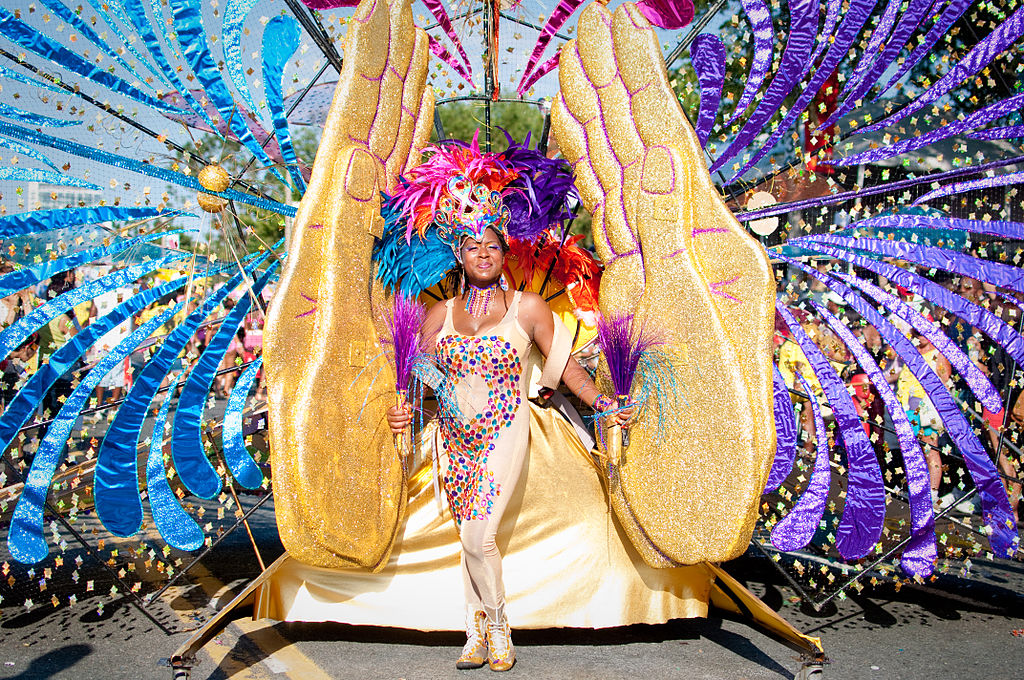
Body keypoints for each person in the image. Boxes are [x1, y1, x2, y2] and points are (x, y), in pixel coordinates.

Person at [384, 223, 629, 672]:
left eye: (492, 247)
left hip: (504, 430)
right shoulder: (439, 314)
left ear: (503, 254)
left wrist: (602, 402)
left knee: (480, 536)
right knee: (469, 539)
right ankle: (473, 634)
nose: (482, 254)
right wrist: (402, 410)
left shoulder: (527, 308)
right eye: (473, 246)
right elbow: (414, 379)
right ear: (460, 255)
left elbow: (565, 366)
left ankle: (498, 630)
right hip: (454, 439)